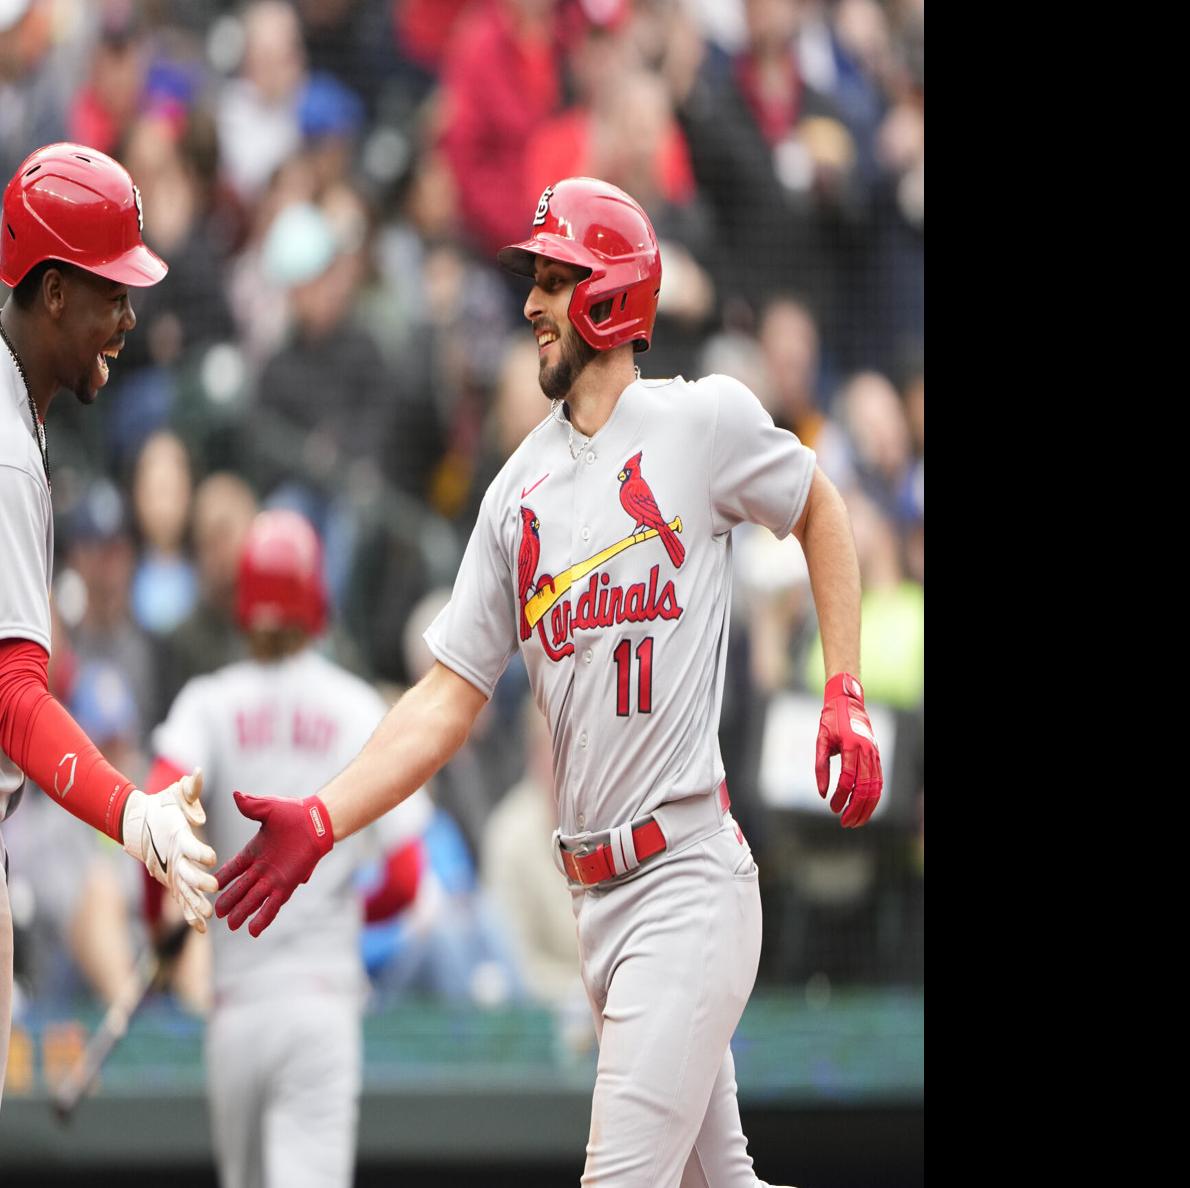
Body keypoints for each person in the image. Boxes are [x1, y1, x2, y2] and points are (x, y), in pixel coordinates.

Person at [215, 176, 883, 1188]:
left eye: (554, 277)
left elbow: (819, 509)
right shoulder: (514, 489)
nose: (530, 302)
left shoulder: (699, 423)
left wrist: (844, 692)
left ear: (612, 295)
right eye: (533, 278)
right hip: (594, 907)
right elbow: (447, 694)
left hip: (683, 879)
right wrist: (323, 813)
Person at [0, 142, 217, 1108]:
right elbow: (10, 697)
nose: (129, 319)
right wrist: (134, 816)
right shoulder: (8, 452)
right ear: (51, 293)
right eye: (110, 292)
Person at [146, 508, 429, 1188]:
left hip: (236, 1004)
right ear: (315, 600)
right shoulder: (359, 704)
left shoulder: (208, 701)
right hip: (322, 999)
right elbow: (407, 876)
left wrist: (166, 932)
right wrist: (340, 914)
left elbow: (156, 816)